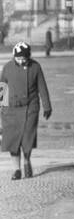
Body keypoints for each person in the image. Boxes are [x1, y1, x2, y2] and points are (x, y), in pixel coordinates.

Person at [1, 43, 52, 179]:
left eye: (24, 58)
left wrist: (47, 106)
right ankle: (17, 170)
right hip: (11, 110)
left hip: (30, 108)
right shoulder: (7, 68)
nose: (21, 60)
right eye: (18, 58)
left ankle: (27, 161)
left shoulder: (35, 67)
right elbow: (2, 89)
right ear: (14, 57)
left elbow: (42, 87)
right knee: (12, 140)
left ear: (28, 56)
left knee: (27, 139)